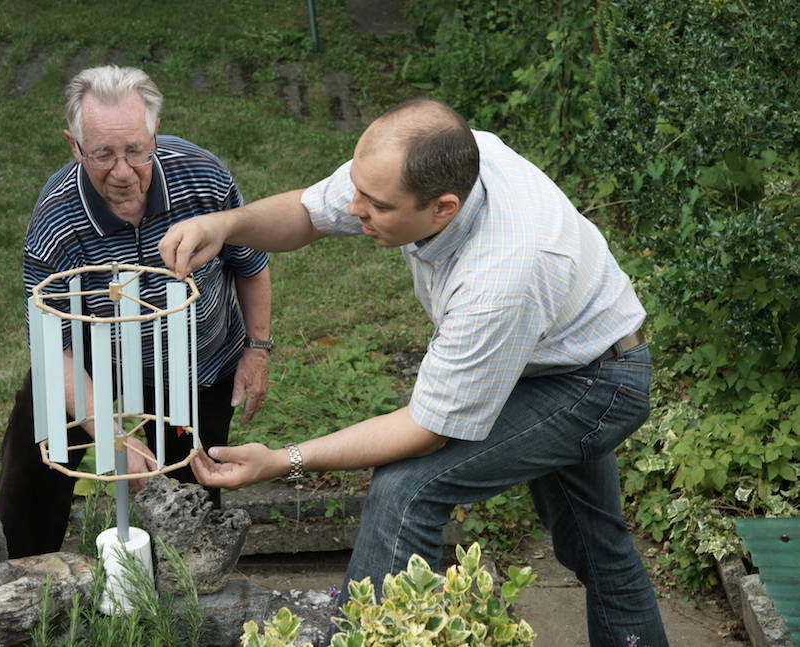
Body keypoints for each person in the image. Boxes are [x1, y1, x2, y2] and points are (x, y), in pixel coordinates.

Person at [159, 98, 669, 646]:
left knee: (408, 485)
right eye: (356, 187)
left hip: (592, 384)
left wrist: (284, 460)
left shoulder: (501, 277)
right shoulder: (435, 161)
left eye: (375, 204)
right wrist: (226, 223)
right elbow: (308, 213)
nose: (354, 208)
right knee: (594, 543)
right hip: (548, 351)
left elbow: (427, 432)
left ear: (443, 208)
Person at [0, 65, 273, 559]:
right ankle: (26, 579)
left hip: (198, 359)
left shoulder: (203, 177)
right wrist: (110, 433)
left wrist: (257, 348)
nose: (122, 173)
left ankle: (178, 594)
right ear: (74, 146)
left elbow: (250, 263)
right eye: (102, 155)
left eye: (136, 152)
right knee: (34, 466)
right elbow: (50, 341)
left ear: (154, 136)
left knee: (191, 492)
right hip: (91, 357)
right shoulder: (56, 220)